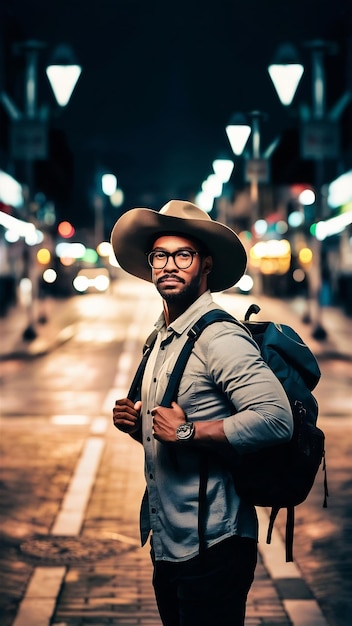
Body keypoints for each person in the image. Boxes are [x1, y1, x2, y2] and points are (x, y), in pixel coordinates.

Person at [111, 200, 293, 626]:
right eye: (160, 255)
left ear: (205, 264)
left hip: (215, 545)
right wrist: (140, 428)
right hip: (168, 542)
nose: (168, 265)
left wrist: (190, 432)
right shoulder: (161, 337)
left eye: (183, 255)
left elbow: (275, 417)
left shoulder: (220, 336)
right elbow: (170, 429)